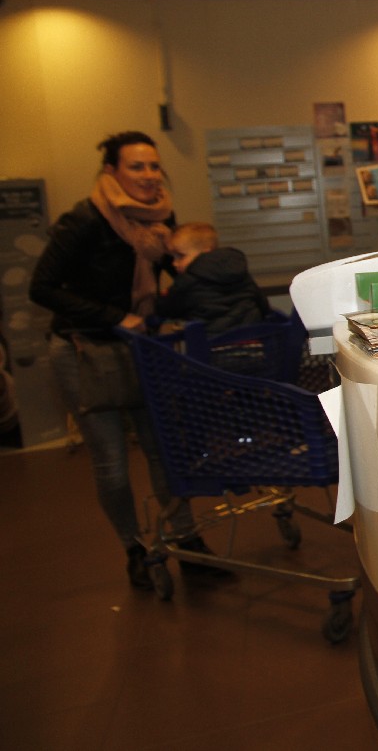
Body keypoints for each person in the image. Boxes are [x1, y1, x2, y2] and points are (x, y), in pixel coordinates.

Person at [30, 132, 230, 589]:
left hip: (142, 348)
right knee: (112, 463)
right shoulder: (84, 221)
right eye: (136, 167)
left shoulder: (161, 218)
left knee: (164, 451)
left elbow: (173, 275)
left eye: (154, 166)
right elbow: (41, 288)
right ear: (111, 172)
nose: (149, 175)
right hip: (84, 350)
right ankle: (134, 549)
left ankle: (187, 543)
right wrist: (114, 316)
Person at [157, 221, 270, 334]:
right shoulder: (240, 273)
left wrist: (164, 296)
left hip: (209, 341)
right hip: (251, 337)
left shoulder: (187, 280)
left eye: (181, 256)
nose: (174, 263)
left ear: (206, 252)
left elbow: (165, 309)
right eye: (174, 257)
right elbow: (262, 305)